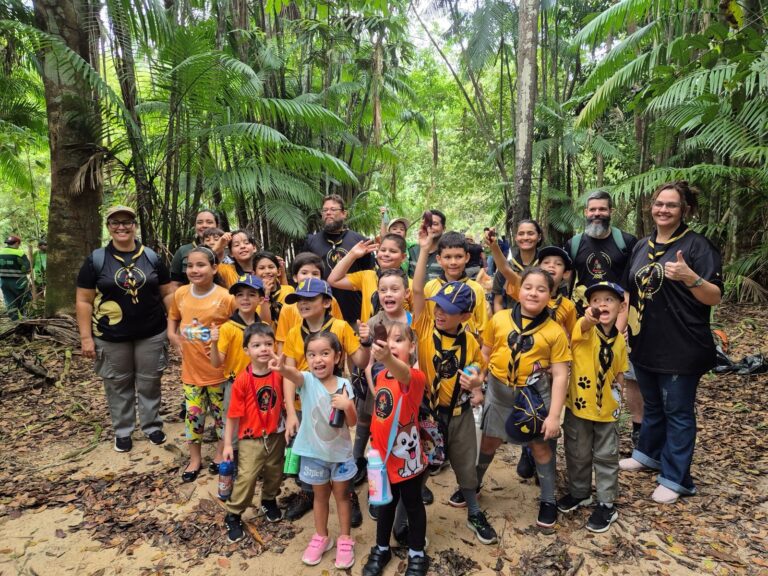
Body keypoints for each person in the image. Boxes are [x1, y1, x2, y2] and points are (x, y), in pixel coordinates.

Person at [620, 181, 723, 504]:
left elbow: (714, 296)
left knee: (677, 411)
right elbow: (629, 293)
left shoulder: (697, 246)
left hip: (682, 344)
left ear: (684, 209)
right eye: (659, 203)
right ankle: (648, 454)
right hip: (644, 341)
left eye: (672, 205)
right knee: (652, 404)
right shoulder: (642, 245)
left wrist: (691, 277)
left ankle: (676, 478)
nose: (663, 210)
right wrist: (621, 331)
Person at [411, 227, 497, 545]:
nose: (439, 313)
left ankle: (473, 511)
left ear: (464, 315)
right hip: (428, 412)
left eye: (447, 310)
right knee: (420, 463)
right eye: (437, 307)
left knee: (464, 464)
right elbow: (417, 291)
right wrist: (423, 249)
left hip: (458, 412)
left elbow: (478, 362)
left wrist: (476, 379)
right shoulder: (424, 329)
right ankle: (408, 515)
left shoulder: (469, 340)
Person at [475, 267, 572, 529]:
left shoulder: (554, 331)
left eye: (541, 289)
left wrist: (554, 416)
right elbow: (485, 353)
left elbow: (560, 374)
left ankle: (548, 499)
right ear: (518, 291)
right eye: (528, 287)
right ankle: (472, 485)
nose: (533, 293)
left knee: (540, 446)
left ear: (550, 295)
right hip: (499, 392)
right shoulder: (500, 319)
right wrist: (477, 381)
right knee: (489, 441)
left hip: (534, 396)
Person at [75, 206, 171, 452]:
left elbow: (167, 293)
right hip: (111, 335)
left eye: (127, 222)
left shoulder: (151, 256)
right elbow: (84, 301)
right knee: (118, 383)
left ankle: (152, 425)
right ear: (108, 227)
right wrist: (86, 338)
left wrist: (175, 325)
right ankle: (123, 430)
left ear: (134, 225)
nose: (121, 227)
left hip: (151, 331)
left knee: (150, 381)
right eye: (115, 222)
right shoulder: (96, 259)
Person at [281, 278, 370, 526]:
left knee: (336, 448)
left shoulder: (340, 327)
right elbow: (289, 374)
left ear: (327, 302)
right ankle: (308, 493)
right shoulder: (293, 332)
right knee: (310, 452)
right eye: (300, 299)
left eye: (310, 299)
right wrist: (290, 412)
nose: (303, 303)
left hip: (334, 402)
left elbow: (361, 361)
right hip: (304, 402)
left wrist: (366, 342)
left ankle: (347, 494)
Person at [274, 334, 358, 569]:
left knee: (342, 497)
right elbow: (293, 375)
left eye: (325, 353)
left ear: (337, 357)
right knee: (320, 497)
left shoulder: (344, 385)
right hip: (314, 455)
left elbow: (352, 422)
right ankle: (322, 536)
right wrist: (282, 368)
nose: (318, 359)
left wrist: (347, 406)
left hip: (339, 455)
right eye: (311, 354)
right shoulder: (307, 380)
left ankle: (345, 539)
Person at [563, 191, 641, 446]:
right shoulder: (574, 244)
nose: (597, 214)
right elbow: (566, 282)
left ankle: (634, 428)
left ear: (611, 212)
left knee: (623, 374)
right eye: (592, 209)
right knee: (583, 372)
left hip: (620, 319)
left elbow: (630, 287)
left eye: (602, 209)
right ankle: (581, 423)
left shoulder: (626, 242)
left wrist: (619, 327)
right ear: (585, 212)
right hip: (584, 324)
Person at [558, 282, 628, 533]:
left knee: (606, 455)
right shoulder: (584, 329)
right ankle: (580, 492)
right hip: (579, 407)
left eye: (609, 300)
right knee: (577, 451)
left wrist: (619, 400)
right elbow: (584, 325)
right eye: (596, 300)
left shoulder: (619, 341)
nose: (601, 304)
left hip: (607, 410)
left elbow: (619, 372)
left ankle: (607, 503)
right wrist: (588, 318)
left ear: (621, 307)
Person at [362, 322, 429, 576]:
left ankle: (417, 552)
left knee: (413, 504)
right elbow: (380, 414)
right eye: (388, 339)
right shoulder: (381, 376)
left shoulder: (415, 377)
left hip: (407, 459)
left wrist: (387, 359)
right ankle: (382, 548)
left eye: (399, 339)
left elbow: (404, 375)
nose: (391, 344)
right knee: (384, 505)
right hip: (381, 460)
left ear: (412, 347)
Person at [167, 246, 235, 481]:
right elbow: (173, 317)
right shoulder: (181, 294)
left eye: (200, 265)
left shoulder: (226, 297)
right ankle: (194, 459)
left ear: (214, 268)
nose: (194, 270)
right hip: (191, 372)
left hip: (219, 372)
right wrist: (172, 335)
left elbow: (239, 325)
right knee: (193, 417)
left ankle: (219, 454)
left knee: (221, 417)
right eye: (189, 266)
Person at [223, 323, 287, 543]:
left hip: (275, 434)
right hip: (251, 438)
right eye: (257, 345)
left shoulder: (279, 374)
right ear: (246, 350)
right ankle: (233, 513)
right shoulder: (242, 380)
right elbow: (232, 415)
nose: (264, 349)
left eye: (268, 344)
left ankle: (268, 500)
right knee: (247, 476)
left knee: (275, 471)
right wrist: (228, 445)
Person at [303, 194, 375, 324]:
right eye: (325, 210)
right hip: (321, 313)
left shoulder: (360, 241)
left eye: (333, 209)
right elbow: (303, 274)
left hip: (354, 314)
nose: (328, 213)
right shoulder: (311, 241)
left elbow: (369, 276)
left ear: (344, 214)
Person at [423, 231, 489, 344]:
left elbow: (483, 327)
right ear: (439, 259)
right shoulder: (430, 287)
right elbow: (426, 320)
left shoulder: (476, 289)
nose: (453, 262)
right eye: (447, 257)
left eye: (459, 257)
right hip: (435, 346)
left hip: (467, 347)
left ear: (467, 257)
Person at [327, 234, 409, 324]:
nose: (386, 254)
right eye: (383, 250)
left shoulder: (411, 285)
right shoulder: (367, 276)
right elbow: (333, 280)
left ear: (403, 257)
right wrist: (352, 254)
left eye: (393, 251)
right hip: (367, 331)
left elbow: (416, 319)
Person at [275, 252, 343, 354]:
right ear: (295, 277)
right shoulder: (289, 306)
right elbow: (282, 340)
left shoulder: (330, 301)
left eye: (315, 274)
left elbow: (340, 334)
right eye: (304, 273)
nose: (309, 277)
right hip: (298, 362)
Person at [491, 220, 542, 313]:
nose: (525, 237)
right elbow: (498, 302)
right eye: (521, 234)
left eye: (530, 233)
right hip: (510, 319)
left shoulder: (545, 266)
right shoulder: (506, 268)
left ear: (539, 237)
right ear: (516, 238)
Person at [169, 209, 220, 290]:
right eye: (199, 222)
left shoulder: (228, 250)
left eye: (209, 222)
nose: (204, 225)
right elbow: (175, 283)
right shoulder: (183, 250)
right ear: (195, 226)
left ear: (217, 225)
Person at [253, 251, 294, 332]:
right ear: (254, 274)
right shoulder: (253, 297)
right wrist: (266, 295)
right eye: (262, 268)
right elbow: (263, 326)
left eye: (271, 267)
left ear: (278, 272)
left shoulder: (289, 290)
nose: (267, 271)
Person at [407, 209, 446, 281]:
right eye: (427, 223)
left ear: (443, 228)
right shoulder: (411, 251)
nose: (430, 227)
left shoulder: (447, 253)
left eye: (435, 224)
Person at [0, 235, 31, 319]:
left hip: (3, 281)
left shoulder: (1, 252)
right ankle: (25, 317)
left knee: (9, 299)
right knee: (23, 298)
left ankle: (15, 318)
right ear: (17, 243)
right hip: (18, 281)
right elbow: (28, 268)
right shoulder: (19, 253)